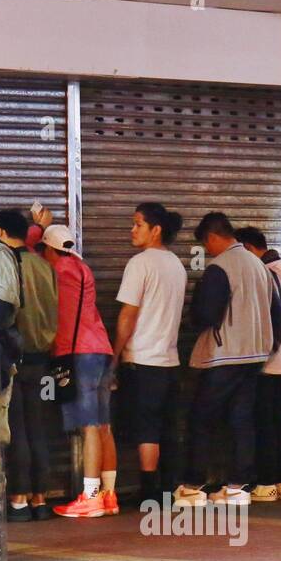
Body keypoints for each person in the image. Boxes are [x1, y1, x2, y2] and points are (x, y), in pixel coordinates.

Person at [175, 213, 275, 508]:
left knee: (201, 419)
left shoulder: (220, 267)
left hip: (224, 355)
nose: (208, 252)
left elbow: (206, 315)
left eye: (206, 246)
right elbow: (276, 312)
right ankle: (236, 488)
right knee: (241, 420)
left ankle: (193, 486)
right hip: (256, 355)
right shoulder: (259, 265)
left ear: (212, 238)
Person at [39, 220, 118, 518]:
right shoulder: (82, 269)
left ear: (49, 249)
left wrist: (38, 228)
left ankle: (90, 496)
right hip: (101, 348)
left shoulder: (55, 272)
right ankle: (109, 495)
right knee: (103, 425)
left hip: (79, 354)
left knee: (88, 426)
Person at [113, 203, 187, 506]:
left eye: (138, 224)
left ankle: (148, 492)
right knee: (168, 428)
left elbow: (128, 315)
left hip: (143, 359)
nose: (132, 230)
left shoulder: (140, 263)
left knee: (147, 429)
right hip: (169, 360)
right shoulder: (177, 265)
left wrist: (115, 355)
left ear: (156, 230)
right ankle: (168, 490)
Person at [0, 209, 58, 521]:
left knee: (16, 430)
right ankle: (40, 499)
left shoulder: (5, 260)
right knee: (39, 427)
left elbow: (4, 311)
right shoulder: (44, 265)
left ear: (0, 231)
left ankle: (18, 500)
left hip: (16, 358)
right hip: (43, 359)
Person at [237, 226, 281, 502]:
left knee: (264, 422)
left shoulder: (262, 274)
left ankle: (266, 482)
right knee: (280, 422)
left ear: (248, 248)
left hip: (264, 359)